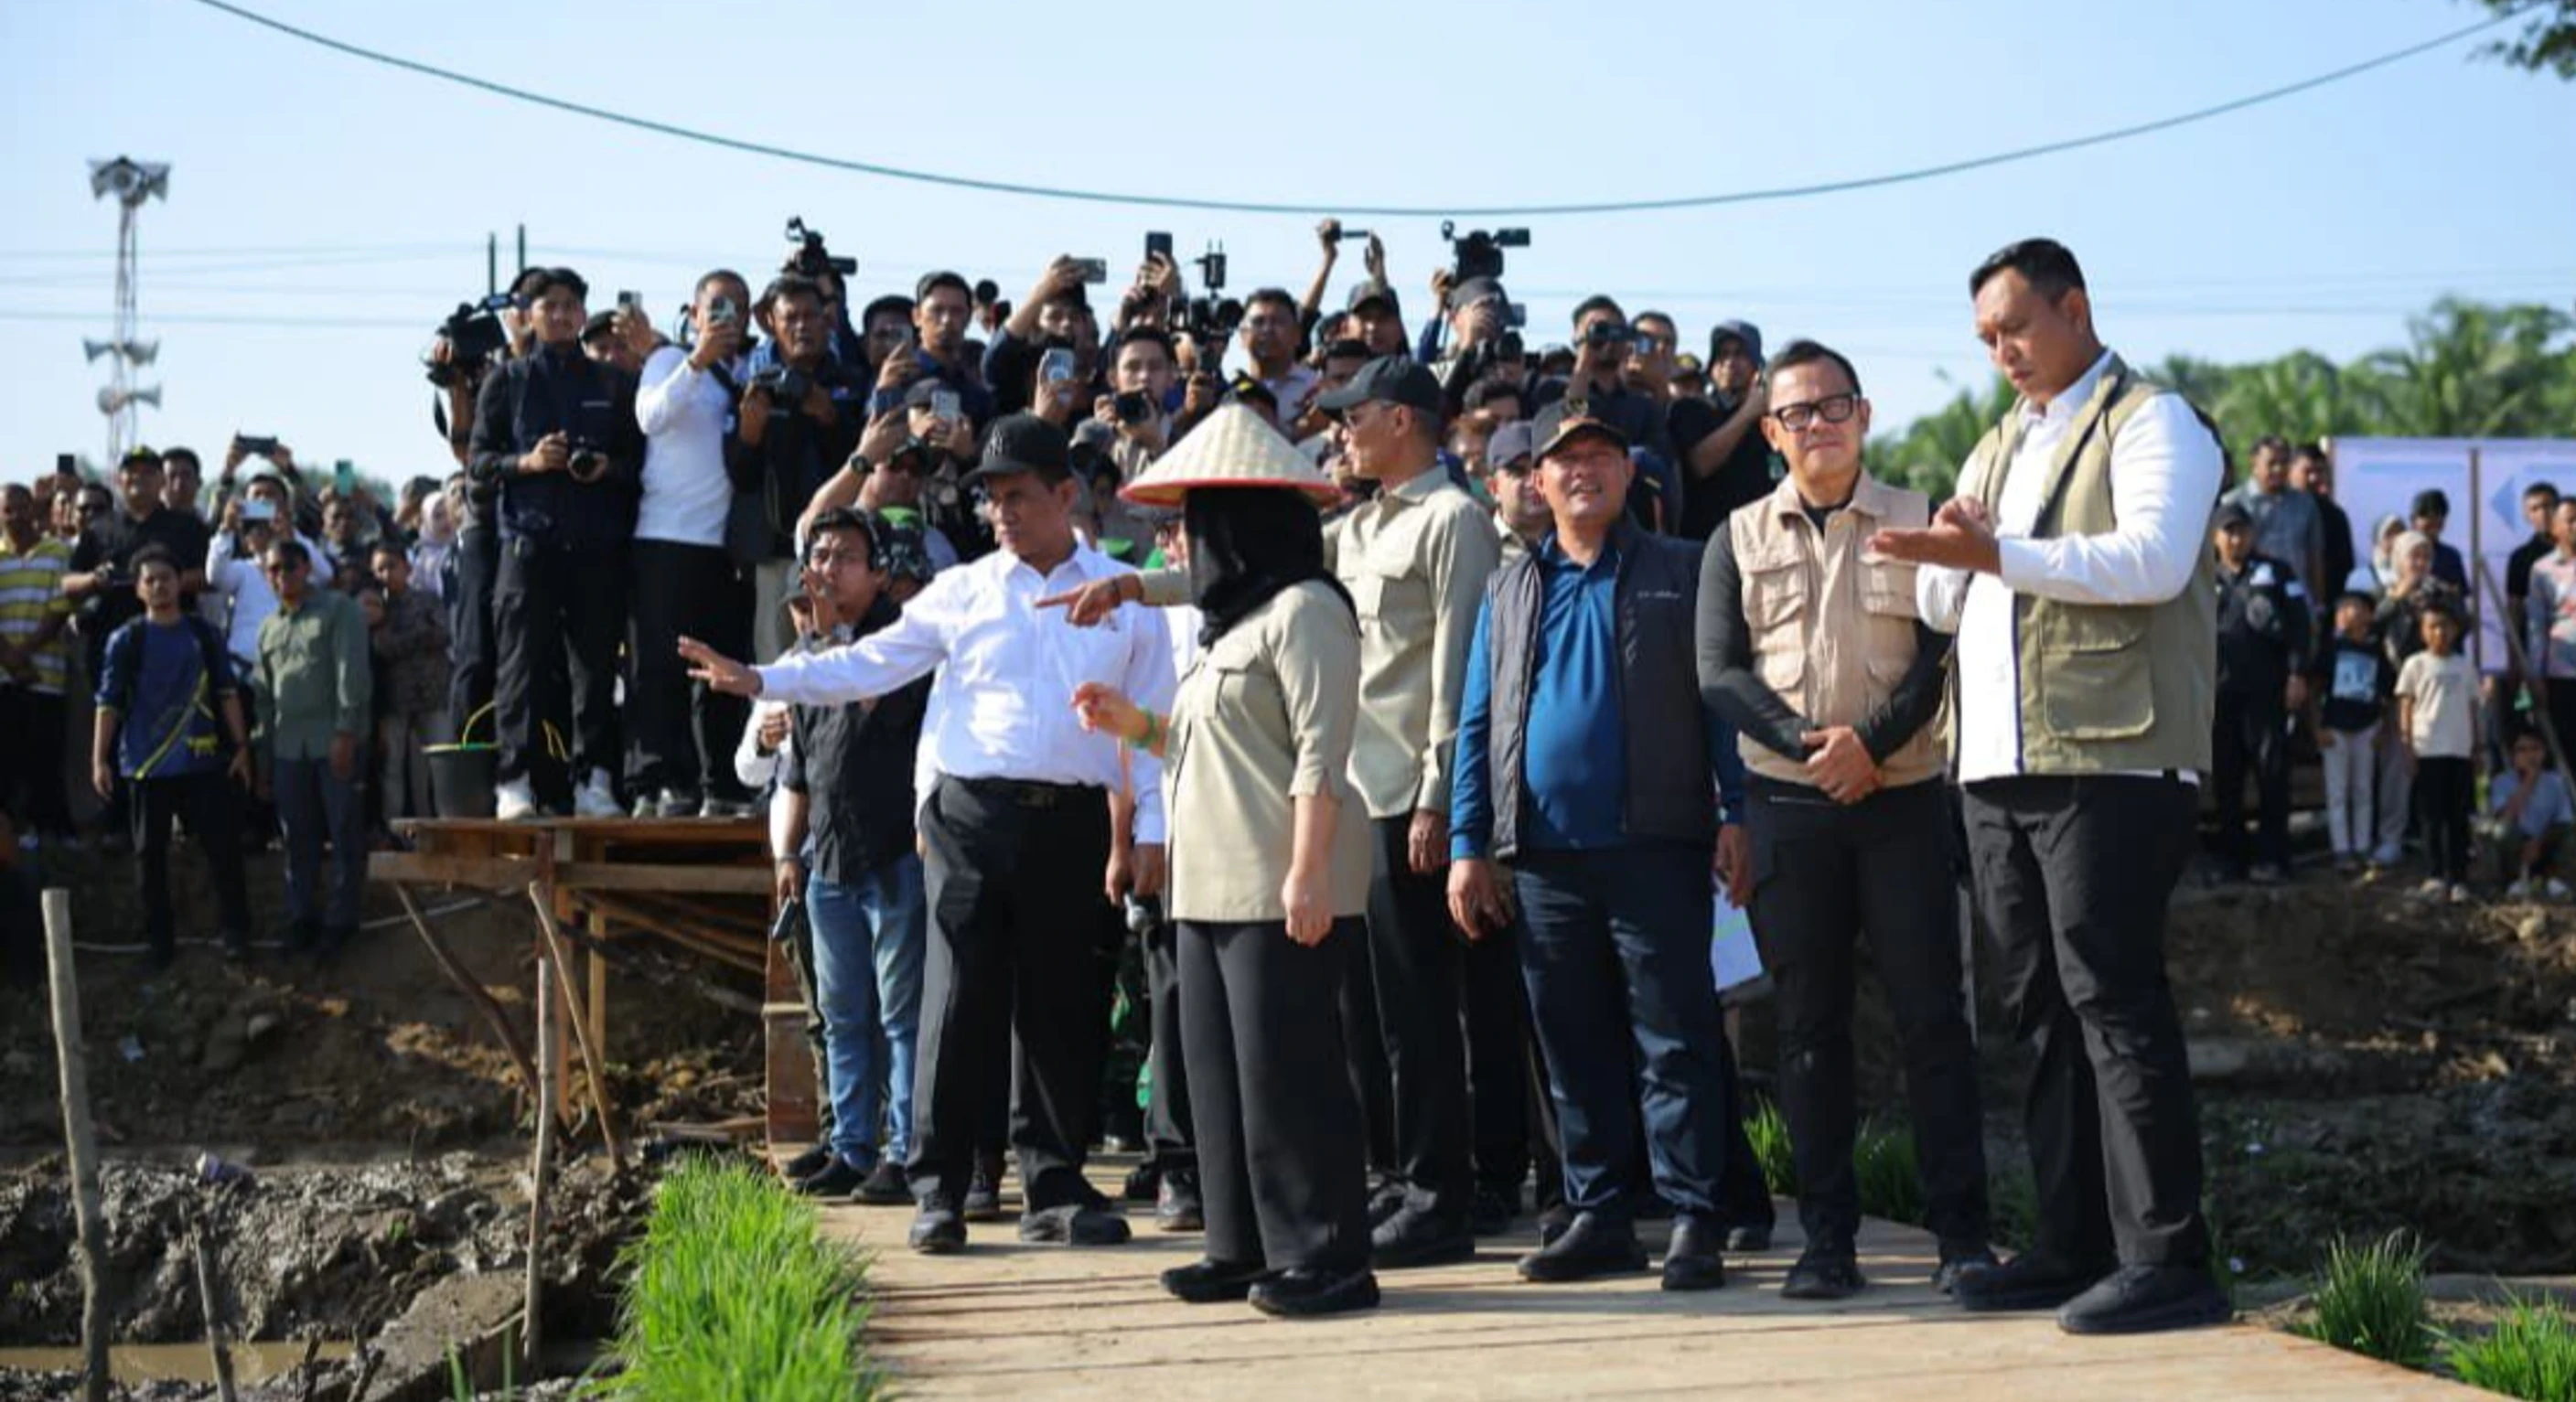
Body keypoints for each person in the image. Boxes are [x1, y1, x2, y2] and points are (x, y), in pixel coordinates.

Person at [1039, 357, 1503, 1268]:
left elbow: (1459, 669)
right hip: (1344, 791)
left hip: (1399, 789)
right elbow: (1247, 568)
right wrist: (1134, 587)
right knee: (1361, 1019)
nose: (1340, 431)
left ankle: (1437, 1191)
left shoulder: (1452, 519)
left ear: (1403, 420)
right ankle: (1388, 1179)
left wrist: (1440, 797)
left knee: (1415, 1012)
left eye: (1354, 414)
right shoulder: (1357, 524)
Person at [682, 412, 1175, 1254]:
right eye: (991, 499)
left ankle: (1053, 1182)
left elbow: (1153, 719)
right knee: (957, 1002)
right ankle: (939, 1185)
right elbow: (868, 662)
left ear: (1066, 494)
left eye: (1018, 496)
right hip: (970, 816)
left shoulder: (1124, 596)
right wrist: (763, 678)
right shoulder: (965, 588)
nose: (1001, 513)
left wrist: (1151, 830)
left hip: (1076, 819)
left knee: (1065, 1004)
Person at [1876, 238, 2229, 1335]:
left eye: (2014, 327)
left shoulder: (2152, 420)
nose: (2001, 352)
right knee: (2037, 1011)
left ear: (2073, 308)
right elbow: (1944, 602)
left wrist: (1997, 555)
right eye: (1985, 338)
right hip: (1996, 767)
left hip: (2111, 761)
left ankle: (2167, 1258)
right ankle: (2068, 1246)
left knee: (2111, 999)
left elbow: (2150, 561)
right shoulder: (1996, 442)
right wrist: (1954, 556)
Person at [1696, 339, 1996, 1299]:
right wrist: (1808, 745)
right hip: (1788, 812)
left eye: (1833, 407)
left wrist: (1867, 746)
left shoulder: (1918, 518)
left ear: (1863, 414)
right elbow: (1718, 672)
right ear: (1771, 432)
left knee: (1932, 1022)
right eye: (1796, 413)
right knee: (1807, 1028)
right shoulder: (1735, 536)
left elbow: (1941, 654)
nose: (1817, 425)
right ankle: (1827, 1241)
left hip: (1901, 804)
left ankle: (1963, 1239)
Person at [1068, 404, 1382, 1319]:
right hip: (1205, 889)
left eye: (1201, 527)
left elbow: (1321, 753)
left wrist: (1307, 872)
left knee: (1290, 1077)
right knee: (1216, 1077)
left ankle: (1326, 1255)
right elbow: (1213, 749)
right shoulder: (1229, 628)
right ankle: (1240, 1246)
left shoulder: (1308, 611)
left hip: (1279, 881)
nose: (1189, 546)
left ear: (1241, 530)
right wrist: (1136, 726)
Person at [1444, 399, 1742, 1293]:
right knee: (1570, 1046)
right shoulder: (1508, 588)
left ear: (1628, 472)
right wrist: (1467, 842)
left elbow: (1720, 698)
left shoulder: (1682, 567)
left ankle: (1694, 1216)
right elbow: (1476, 722)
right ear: (1536, 479)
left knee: (1674, 1038)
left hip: (1658, 845)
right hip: (1542, 858)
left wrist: (1738, 810)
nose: (1583, 470)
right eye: (1565, 459)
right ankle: (1599, 1212)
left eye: (1601, 455)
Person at [775, 509, 932, 1207]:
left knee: (900, 1016)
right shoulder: (809, 657)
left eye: (845, 557)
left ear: (877, 573)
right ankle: (852, 1146)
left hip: (893, 854)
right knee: (841, 1015)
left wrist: (831, 639)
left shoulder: (899, 642)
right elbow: (800, 767)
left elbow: (871, 702)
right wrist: (788, 851)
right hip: (828, 861)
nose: (828, 569)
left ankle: (904, 1151)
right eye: (820, 555)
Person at [467, 266, 645, 820]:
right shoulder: (507, 380)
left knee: (595, 671)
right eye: (551, 306)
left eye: (571, 305)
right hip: (528, 544)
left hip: (596, 546)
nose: (563, 315)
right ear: (530, 315)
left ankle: (595, 780)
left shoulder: (613, 384)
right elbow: (478, 463)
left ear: (583, 313)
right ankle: (514, 781)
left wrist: (605, 468)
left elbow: (638, 464)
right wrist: (528, 462)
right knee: (519, 667)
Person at [628, 269, 761, 819]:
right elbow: (650, 417)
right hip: (665, 537)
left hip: (723, 547)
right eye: (717, 307)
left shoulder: (749, 373)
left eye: (738, 309)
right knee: (659, 667)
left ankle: (721, 784)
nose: (728, 318)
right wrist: (697, 360)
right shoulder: (667, 360)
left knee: (721, 672)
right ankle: (656, 781)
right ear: (694, 313)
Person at [91, 548, 255, 968]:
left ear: (180, 582)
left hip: (203, 758)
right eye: (150, 580)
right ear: (138, 589)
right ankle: (158, 942)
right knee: (149, 855)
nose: (159, 586)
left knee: (222, 848)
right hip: (146, 764)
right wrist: (99, 760)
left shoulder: (204, 634)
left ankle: (236, 932)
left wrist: (241, 747)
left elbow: (227, 692)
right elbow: (108, 703)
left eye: (166, 577)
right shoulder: (126, 640)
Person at [734, 273, 869, 670]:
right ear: (771, 323)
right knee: (774, 662)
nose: (802, 326)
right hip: (774, 550)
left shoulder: (851, 381)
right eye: (790, 317)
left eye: (811, 316)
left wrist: (829, 417)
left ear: (828, 321)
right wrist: (748, 435)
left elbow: (865, 460)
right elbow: (740, 476)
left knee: (835, 656)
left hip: (837, 548)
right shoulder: (754, 383)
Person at [257, 538, 372, 958]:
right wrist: (263, 758)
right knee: (297, 838)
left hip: (333, 740)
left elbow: (351, 674)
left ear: (307, 568)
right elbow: (264, 699)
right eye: (273, 569)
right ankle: (301, 918)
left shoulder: (339, 609)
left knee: (344, 833)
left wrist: (346, 732)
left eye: (290, 566)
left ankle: (342, 921)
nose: (282, 575)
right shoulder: (268, 627)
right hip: (289, 747)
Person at [2209, 500, 2312, 885]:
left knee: (2272, 774)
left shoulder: (2277, 573)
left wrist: (2297, 674)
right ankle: (2231, 859)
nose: (2236, 539)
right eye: (2229, 532)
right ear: (2215, 538)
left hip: (2267, 693)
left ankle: (2273, 857)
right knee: (2227, 778)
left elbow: (2300, 626)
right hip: (2221, 695)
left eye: (2243, 531)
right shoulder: (2203, 577)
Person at [0, 484, 77, 849]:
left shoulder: (58, 552)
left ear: (34, 510)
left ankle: (51, 832)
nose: (14, 516)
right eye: (7, 510)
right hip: (4, 675)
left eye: (21, 508)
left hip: (46, 674)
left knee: (45, 757)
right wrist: (11, 660)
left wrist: (24, 653)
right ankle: (15, 833)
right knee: (7, 759)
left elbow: (60, 609)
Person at [2312, 593, 2397, 874]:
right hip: (2335, 727)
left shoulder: (2376, 651)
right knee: (2337, 791)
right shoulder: (2331, 648)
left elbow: (2387, 693)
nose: (2348, 613)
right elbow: (2315, 687)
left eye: (2355, 608)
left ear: (2369, 615)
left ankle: (2362, 846)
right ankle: (2341, 849)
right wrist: (2317, 726)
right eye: (2344, 608)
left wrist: (2382, 728)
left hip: (2367, 727)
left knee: (2363, 789)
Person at [2398, 605, 2479, 903]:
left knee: (2458, 816)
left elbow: (2472, 707)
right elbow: (2406, 706)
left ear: (2455, 630)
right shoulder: (2415, 664)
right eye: (2432, 626)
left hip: (2459, 749)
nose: (2440, 632)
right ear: (2423, 631)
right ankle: (2434, 875)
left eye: (2445, 626)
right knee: (2430, 816)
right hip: (2428, 748)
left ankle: (2459, 878)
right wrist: (2407, 745)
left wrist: (2477, 745)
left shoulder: (2464, 666)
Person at [368, 540, 451, 823]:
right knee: (393, 770)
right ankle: (394, 829)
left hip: (433, 695)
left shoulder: (427, 600)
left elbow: (443, 634)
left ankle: (445, 824)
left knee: (440, 765)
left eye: (391, 566)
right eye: (379, 569)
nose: (386, 574)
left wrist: (403, 641)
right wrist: (418, 636)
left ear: (407, 567)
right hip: (396, 702)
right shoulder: (377, 608)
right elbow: (381, 647)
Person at [1670, 320, 1775, 541]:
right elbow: (1701, 464)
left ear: (1757, 366)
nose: (1729, 362)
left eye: (1740, 354)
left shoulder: (1770, 421)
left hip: (1761, 541)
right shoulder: (1691, 409)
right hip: (1703, 544)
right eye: (1722, 354)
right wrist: (1748, 413)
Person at [2222, 436, 2325, 603]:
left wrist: (2317, 604)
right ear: (2254, 463)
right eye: (2272, 463)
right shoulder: (2233, 503)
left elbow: (2314, 557)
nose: (2278, 469)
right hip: (2248, 600)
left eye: (2284, 463)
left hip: (2296, 599)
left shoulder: (2305, 504)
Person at [2490, 728, 2573, 899]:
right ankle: (2515, 881)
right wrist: (2530, 780)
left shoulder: (2556, 782)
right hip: (2518, 845)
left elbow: (2564, 821)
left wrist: (2538, 842)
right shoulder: (2501, 781)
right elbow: (2506, 817)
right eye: (2522, 750)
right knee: (2501, 832)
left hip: (2545, 842)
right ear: (2514, 755)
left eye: (2535, 748)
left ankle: (2555, 878)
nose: (2529, 755)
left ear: (2543, 752)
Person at [2523, 498, 2576, 765]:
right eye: (2571, 521)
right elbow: (2536, 625)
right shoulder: (2542, 570)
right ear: (2555, 527)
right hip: (2561, 673)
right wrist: (2536, 675)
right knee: (2564, 747)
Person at [2289, 444, 2356, 599]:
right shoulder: (2279, 511)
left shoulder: (2334, 515)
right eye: (2307, 471)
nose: (2314, 478)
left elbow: (2344, 566)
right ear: (2290, 471)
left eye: (2319, 471)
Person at [2410, 489, 2471, 597]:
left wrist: (2445, 589)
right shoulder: (2401, 553)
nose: (2434, 521)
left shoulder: (2451, 556)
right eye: (2427, 516)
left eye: (2439, 515)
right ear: (2413, 521)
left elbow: (2460, 593)